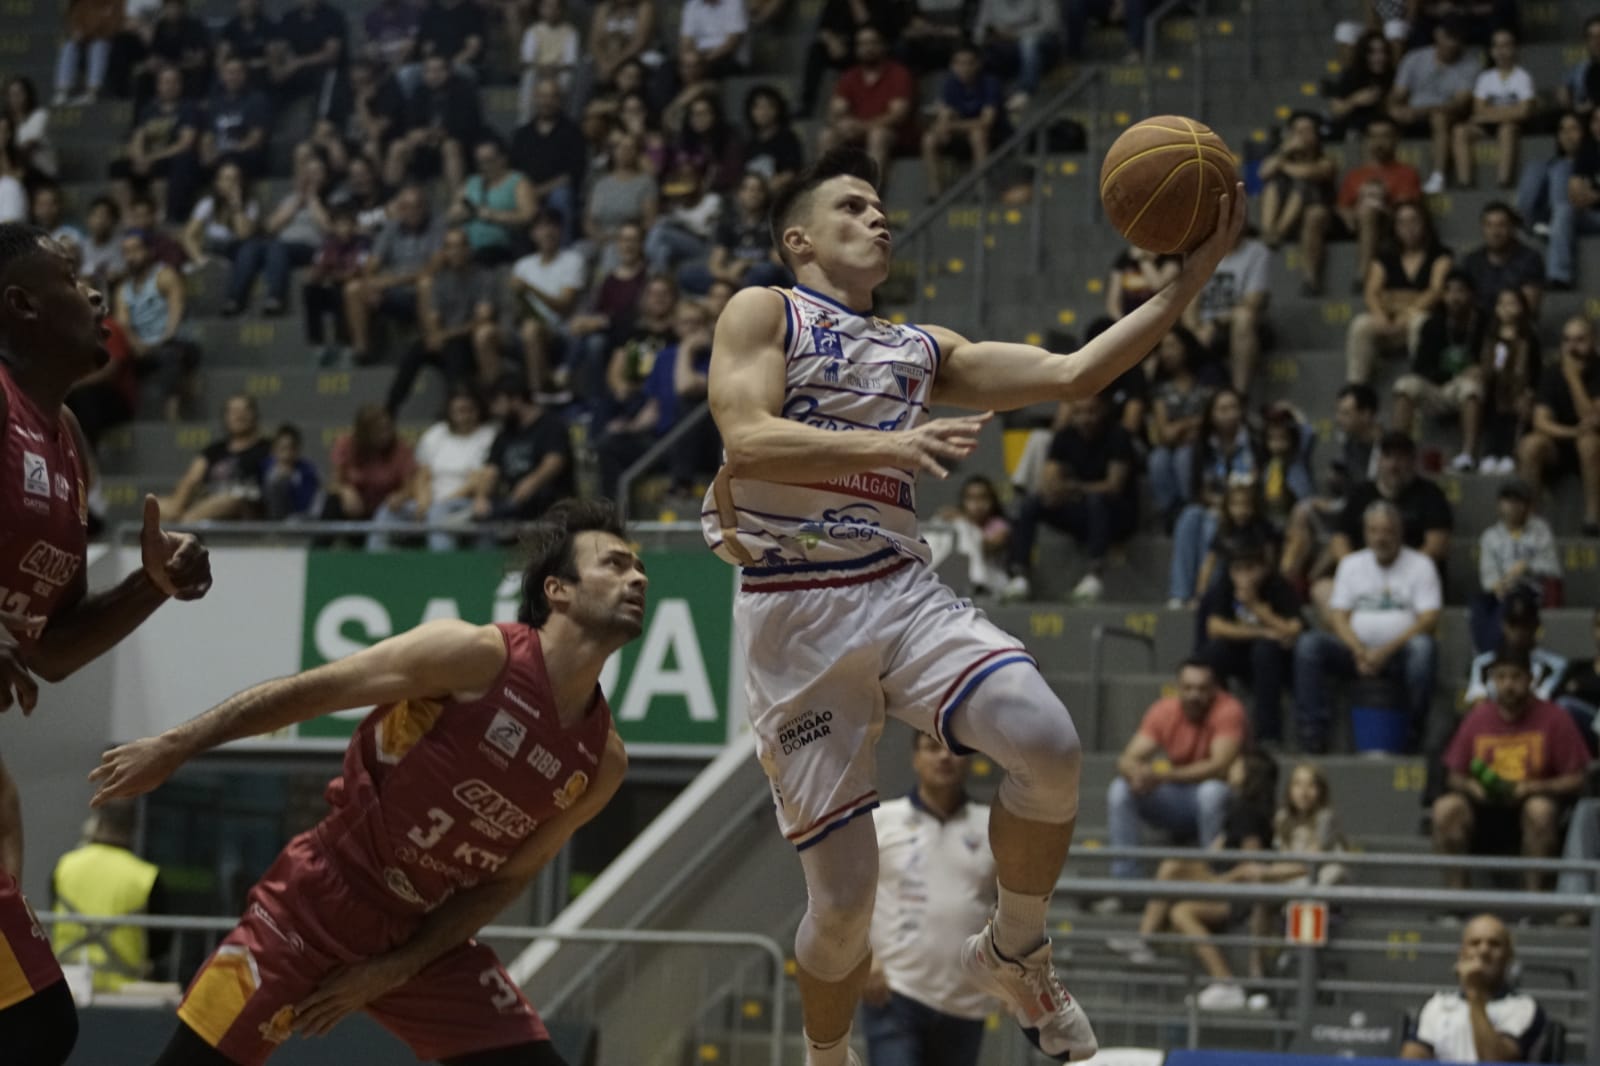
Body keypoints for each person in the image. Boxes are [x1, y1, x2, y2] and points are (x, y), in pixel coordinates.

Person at [702, 145, 1246, 1065]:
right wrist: (884, 448)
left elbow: (1075, 374)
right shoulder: (768, 311)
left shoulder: (922, 349)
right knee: (841, 913)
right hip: (795, 613)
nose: (878, 218)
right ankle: (826, 1056)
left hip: (897, 587)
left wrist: (1187, 284)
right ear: (799, 237)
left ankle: (1015, 949)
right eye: (852, 206)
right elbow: (745, 437)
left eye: (881, 206)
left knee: (1050, 744)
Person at [89, 499, 639, 1066]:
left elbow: (506, 881)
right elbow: (315, 690)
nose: (638, 576)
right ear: (559, 591)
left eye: (638, 567)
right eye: (616, 564)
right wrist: (177, 745)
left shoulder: (601, 762)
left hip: (422, 938)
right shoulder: (475, 657)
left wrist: (393, 969)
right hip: (322, 897)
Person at [0, 223, 210, 1066]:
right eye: (72, 278)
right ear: (18, 306)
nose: (96, 296)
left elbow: (52, 648)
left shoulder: (67, 443)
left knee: (35, 1025)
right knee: (38, 1025)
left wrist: (153, 584)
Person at [862, 732, 995, 1066]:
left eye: (954, 749)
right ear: (915, 758)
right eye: (932, 748)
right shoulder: (880, 821)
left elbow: (1009, 905)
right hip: (896, 993)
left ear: (970, 758)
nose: (944, 757)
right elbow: (847, 898)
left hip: (966, 1000)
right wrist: (862, 957)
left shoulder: (993, 825)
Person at [1111, 752, 1280, 1012]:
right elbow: (1216, 852)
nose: (1231, 769)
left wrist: (1221, 879)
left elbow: (1252, 865)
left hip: (1238, 894)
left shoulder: (1247, 813)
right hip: (1225, 882)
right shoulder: (1236, 808)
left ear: (1249, 775)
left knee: (1180, 909)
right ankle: (1146, 940)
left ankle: (1224, 983)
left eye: (1237, 765)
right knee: (1172, 868)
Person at [1433, 648, 1591, 893]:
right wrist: (1471, 787)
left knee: (1539, 810)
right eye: (1501, 677)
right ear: (1493, 680)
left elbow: (1578, 779)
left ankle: (1533, 904)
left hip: (1533, 808)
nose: (1508, 685)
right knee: (1446, 809)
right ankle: (1456, 901)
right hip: (1484, 809)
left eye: (1516, 677)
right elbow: (1454, 775)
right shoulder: (1477, 718)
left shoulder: (1555, 718)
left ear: (1531, 679)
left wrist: (1534, 787)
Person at [1294, 500, 1441, 754]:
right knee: (1309, 645)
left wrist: (1384, 652)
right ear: (1365, 533)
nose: (1380, 538)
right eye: (1374, 531)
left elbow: (1428, 619)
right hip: (1355, 653)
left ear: (1399, 532)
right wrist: (1360, 650)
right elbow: (1338, 616)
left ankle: (1413, 730)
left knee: (1423, 649)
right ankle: (1313, 734)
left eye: (1387, 531)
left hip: (1399, 654)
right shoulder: (1352, 564)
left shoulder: (1420, 565)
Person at [1104, 659, 1249, 888]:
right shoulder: (1164, 710)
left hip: (1218, 799)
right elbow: (1127, 758)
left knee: (1211, 792)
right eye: (1188, 688)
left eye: (1202, 689)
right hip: (1176, 800)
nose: (1194, 695)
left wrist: (1161, 776)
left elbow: (1219, 765)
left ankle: (1213, 880)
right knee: (1120, 789)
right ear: (1178, 687)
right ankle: (1126, 882)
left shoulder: (1228, 710)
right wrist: (1137, 774)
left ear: (1214, 689)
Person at [1003, 393, 1139, 605]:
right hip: (1081, 510)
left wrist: (1073, 487)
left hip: (1117, 515)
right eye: (1079, 412)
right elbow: (1050, 481)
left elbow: (1113, 486)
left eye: (1091, 411)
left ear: (1103, 410)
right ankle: (1019, 574)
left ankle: (1095, 575)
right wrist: (1056, 490)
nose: (1086, 418)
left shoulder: (1118, 435)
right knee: (1031, 503)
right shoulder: (1065, 436)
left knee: (1097, 500)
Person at [50, 800, 171, 993]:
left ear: (95, 822)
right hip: (123, 989)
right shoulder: (146, 876)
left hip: (67, 984)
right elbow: (160, 944)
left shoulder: (65, 866)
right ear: (134, 828)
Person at [1400, 914, 1549, 1061]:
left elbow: (1495, 1061)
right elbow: (1411, 1059)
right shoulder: (1436, 1006)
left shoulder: (1524, 1007)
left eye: (1494, 944)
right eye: (1475, 943)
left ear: (1509, 956)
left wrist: (1475, 994)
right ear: (1462, 953)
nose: (1483, 951)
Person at [1199, 537, 1302, 745]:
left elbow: (1293, 630)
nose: (1243, 576)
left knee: (1264, 650)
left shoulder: (1277, 585)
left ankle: (1268, 734)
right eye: (1237, 569)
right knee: (1212, 653)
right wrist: (1262, 632)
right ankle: (1216, 726)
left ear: (1264, 569)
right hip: (1240, 652)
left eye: (1250, 569)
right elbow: (1214, 628)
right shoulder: (1225, 585)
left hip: (1277, 659)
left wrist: (1255, 606)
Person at [369, 386, 497, 552]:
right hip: (430, 501)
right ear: (450, 412)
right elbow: (422, 473)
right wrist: (423, 501)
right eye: (459, 411)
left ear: (478, 410)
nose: (464, 416)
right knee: (387, 511)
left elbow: (478, 480)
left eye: (468, 410)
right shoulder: (437, 433)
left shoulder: (488, 435)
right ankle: (376, 563)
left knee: (438, 515)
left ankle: (442, 569)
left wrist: (441, 503)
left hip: (463, 503)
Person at [385, 228, 497, 416]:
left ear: (469, 249)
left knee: (454, 349)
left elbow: (481, 320)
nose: (456, 252)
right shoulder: (440, 279)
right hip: (446, 338)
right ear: (444, 252)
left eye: (460, 246)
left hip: (470, 341)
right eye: (450, 247)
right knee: (416, 350)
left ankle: (453, 408)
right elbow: (434, 316)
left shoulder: (484, 277)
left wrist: (444, 335)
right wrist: (435, 335)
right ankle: (390, 407)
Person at [1345, 201, 1453, 387]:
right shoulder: (1385, 257)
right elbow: (1372, 292)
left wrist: (1402, 308)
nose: (1408, 228)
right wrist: (1380, 314)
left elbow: (1435, 291)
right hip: (1388, 321)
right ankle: (1356, 388)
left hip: (1419, 319)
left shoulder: (1440, 255)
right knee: (1361, 324)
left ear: (1425, 224)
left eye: (1414, 221)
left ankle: (1419, 382)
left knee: (1420, 322)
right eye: (1402, 223)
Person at [1391, 269, 1484, 471]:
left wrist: (1483, 369)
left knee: (1470, 386)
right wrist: (1445, 374)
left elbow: (1499, 355)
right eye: (1448, 291)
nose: (1454, 297)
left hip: (1468, 387)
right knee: (1405, 385)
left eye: (1460, 291)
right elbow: (1420, 367)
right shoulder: (1433, 325)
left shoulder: (1484, 324)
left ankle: (1468, 453)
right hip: (1437, 386)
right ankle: (1398, 452)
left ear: (1471, 295)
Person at [1516, 315, 1600, 536]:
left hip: (1595, 446)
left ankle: (1593, 517)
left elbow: (1592, 417)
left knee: (1589, 442)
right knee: (1530, 445)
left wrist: (1573, 378)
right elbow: (1541, 422)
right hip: (1564, 441)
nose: (1572, 347)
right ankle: (1532, 522)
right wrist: (1574, 432)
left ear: (1594, 341)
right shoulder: (1552, 372)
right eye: (1567, 340)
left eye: (1580, 340)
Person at [345, 186, 440, 367]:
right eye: (406, 207)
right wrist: (371, 284)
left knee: (425, 283)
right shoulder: (391, 228)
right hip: (394, 291)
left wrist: (391, 281)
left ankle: (433, 346)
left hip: (426, 290)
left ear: (425, 207)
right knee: (354, 289)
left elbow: (434, 267)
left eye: (417, 206)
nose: (412, 212)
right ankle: (361, 350)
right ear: (400, 209)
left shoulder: (436, 226)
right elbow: (372, 264)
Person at [115, 228, 198, 423]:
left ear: (149, 251)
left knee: (171, 355)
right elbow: (123, 325)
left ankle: (172, 412)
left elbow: (176, 313)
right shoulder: (123, 289)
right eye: (126, 252)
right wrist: (137, 345)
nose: (131, 257)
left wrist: (162, 341)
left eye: (135, 250)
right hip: (143, 348)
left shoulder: (164, 275)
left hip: (173, 340)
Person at [818, 28, 917, 189]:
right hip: (858, 132)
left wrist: (861, 126)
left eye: (872, 43)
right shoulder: (850, 76)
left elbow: (898, 115)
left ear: (883, 46)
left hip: (895, 135)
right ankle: (829, 191)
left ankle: (870, 192)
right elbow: (835, 111)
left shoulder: (898, 74)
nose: (867, 48)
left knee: (878, 135)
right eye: (862, 44)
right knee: (827, 136)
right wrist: (842, 124)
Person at [1389, 20, 1478, 196]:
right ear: (1438, 35)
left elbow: (1459, 104)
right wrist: (1394, 109)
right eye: (1449, 38)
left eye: (1457, 39)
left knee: (1439, 118)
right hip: (1412, 113)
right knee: (1378, 125)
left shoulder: (1471, 64)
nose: (1453, 44)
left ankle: (1438, 176)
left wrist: (1417, 112)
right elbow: (1397, 93)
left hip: (1448, 115)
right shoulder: (1415, 58)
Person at [1471, 481, 1561, 654]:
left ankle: (1492, 656)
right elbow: (1488, 576)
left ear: (1527, 506)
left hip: (1534, 589)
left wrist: (1527, 567)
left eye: (1518, 501)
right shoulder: (1490, 536)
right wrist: (1498, 586)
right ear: (1499, 504)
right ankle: (1485, 653)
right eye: (1508, 501)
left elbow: (1553, 568)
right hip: (1502, 590)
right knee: (1478, 604)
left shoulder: (1540, 530)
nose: (1513, 506)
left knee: (1512, 603)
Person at [1181, 226, 1271, 395]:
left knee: (1244, 318)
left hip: (1235, 323)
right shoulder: (1204, 252)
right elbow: (1191, 297)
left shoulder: (1257, 251)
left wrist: (1214, 323)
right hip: (1205, 326)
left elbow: (1252, 302)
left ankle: (1240, 394)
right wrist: (1193, 330)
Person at [473, 377, 575, 526]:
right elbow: (491, 470)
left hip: (549, 503)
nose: (493, 410)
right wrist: (481, 497)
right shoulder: (505, 433)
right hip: (514, 506)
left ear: (516, 400)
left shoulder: (552, 425)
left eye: (498, 402)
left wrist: (529, 484)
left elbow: (553, 463)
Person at [1336, 117, 1423, 288]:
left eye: (1385, 136)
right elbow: (1342, 206)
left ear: (1395, 139)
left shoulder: (1407, 172)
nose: (1379, 142)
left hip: (1389, 224)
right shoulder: (1355, 175)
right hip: (1358, 223)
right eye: (1373, 137)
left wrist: (1377, 205)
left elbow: (1405, 207)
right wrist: (1351, 216)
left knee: (1370, 211)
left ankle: (1363, 274)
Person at [157, 394, 270, 522]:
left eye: (245, 410)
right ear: (225, 417)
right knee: (156, 506)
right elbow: (191, 479)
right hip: (206, 503)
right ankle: (183, 521)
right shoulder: (214, 450)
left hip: (245, 505)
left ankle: (185, 524)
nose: (239, 415)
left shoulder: (267, 448)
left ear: (254, 415)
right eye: (233, 411)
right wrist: (176, 506)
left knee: (229, 499)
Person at [1259, 112, 1336, 296]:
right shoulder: (1283, 156)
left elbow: (1310, 173)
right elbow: (1264, 173)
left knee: (1303, 186)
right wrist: (1284, 151)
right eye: (1297, 131)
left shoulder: (1326, 159)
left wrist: (1284, 166)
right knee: (1273, 184)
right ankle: (1269, 231)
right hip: (1286, 213)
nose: (1301, 136)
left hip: (1317, 216)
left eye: (1306, 130)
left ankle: (1280, 233)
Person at [921, 44, 1006, 203]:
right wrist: (942, 127)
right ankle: (935, 191)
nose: (964, 68)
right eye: (959, 63)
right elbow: (946, 114)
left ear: (978, 64)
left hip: (994, 135)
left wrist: (950, 126)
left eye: (969, 63)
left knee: (977, 134)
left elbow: (986, 122)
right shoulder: (950, 84)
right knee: (929, 139)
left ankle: (981, 189)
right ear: (952, 66)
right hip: (962, 133)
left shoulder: (990, 83)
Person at [1456, 28, 1536, 190]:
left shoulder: (1523, 77)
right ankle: (1465, 182)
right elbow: (1478, 110)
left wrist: (1490, 114)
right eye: (1497, 46)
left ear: (1514, 48)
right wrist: (1508, 111)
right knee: (1460, 130)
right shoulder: (1485, 77)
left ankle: (1503, 182)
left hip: (1514, 126)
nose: (1501, 51)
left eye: (1505, 45)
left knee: (1506, 130)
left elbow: (1524, 111)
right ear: (1492, 51)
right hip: (1488, 127)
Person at [1463, 589, 1567, 704]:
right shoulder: (1482, 664)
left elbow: (1545, 705)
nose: (1519, 632)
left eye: (1524, 624)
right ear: (1504, 625)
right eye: (1513, 624)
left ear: (1536, 625)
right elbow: (1477, 705)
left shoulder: (1556, 666)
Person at [320, 404, 415, 524]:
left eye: (388, 429)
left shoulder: (401, 449)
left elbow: (410, 486)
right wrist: (345, 490)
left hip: (386, 509)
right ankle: (320, 542)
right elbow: (334, 483)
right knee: (333, 501)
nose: (385, 435)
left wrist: (401, 496)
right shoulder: (346, 444)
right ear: (364, 432)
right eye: (379, 431)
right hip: (355, 508)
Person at [1458, 202, 1543, 321]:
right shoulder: (1472, 261)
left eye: (1501, 225)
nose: (1495, 232)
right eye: (1489, 225)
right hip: (1479, 328)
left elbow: (1529, 307)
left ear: (1512, 228)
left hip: (1517, 328)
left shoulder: (1530, 259)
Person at [939, 475, 1011, 596]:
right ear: (963, 501)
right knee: (941, 524)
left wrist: (967, 524)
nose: (977, 504)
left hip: (992, 578)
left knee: (964, 527)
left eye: (982, 498)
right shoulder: (958, 522)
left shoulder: (999, 525)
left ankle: (978, 582)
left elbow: (991, 546)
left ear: (992, 501)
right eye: (971, 498)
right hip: (960, 576)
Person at [261, 423, 321, 520]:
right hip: (268, 522)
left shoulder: (308, 472)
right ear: (274, 450)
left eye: (291, 449)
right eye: (282, 449)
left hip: (299, 520)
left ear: (297, 450)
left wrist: (292, 481)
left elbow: (306, 504)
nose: (286, 455)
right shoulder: (264, 468)